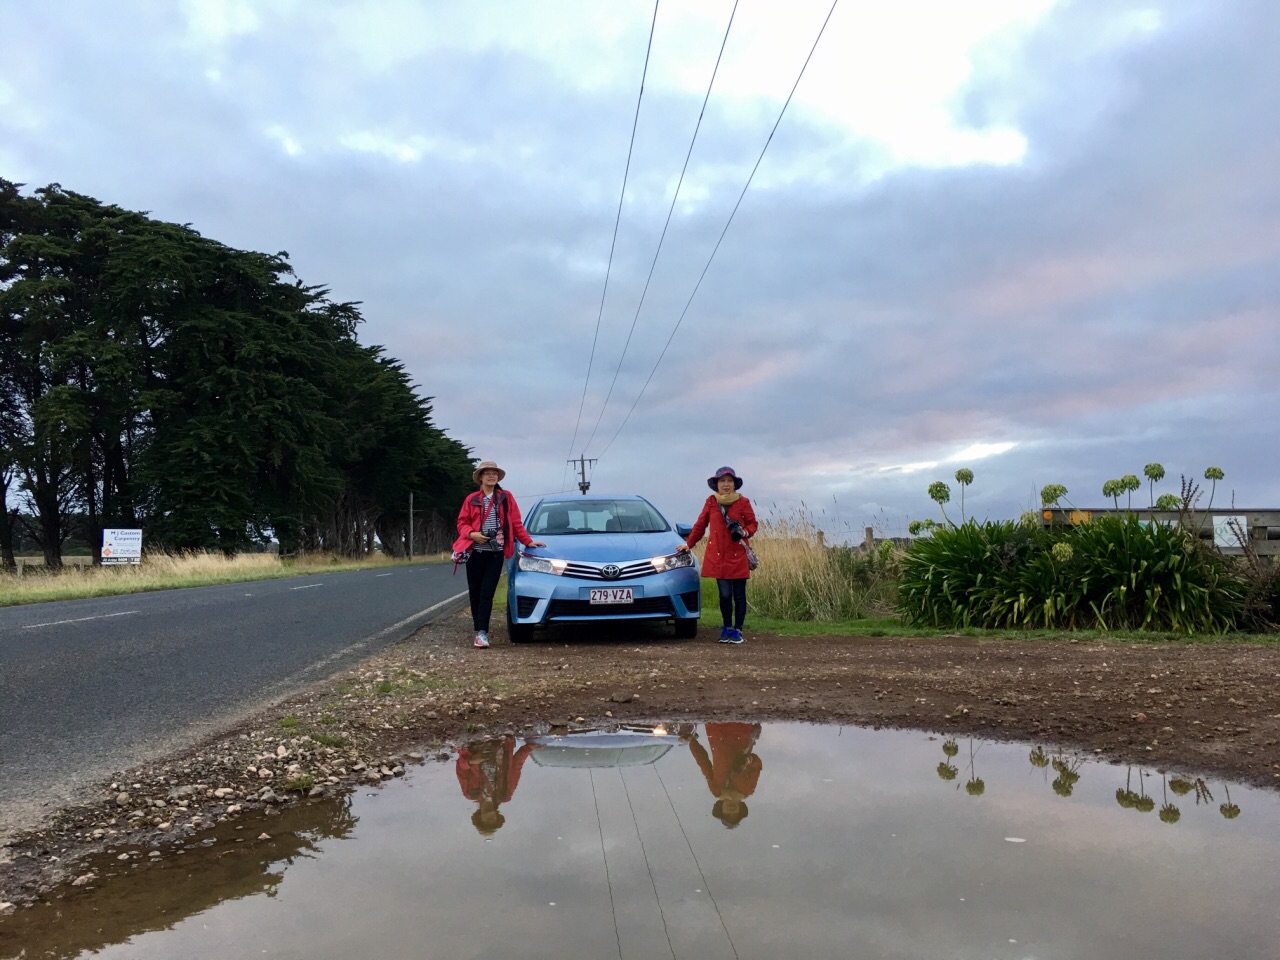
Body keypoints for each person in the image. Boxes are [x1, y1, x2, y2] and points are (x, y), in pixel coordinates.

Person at [454, 460, 544, 649]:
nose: (491, 475)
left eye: (494, 473)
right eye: (487, 473)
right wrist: (472, 534)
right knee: (475, 592)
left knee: (487, 592)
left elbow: (516, 523)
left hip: (495, 553)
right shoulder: (471, 499)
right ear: (480, 477)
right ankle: (477, 627)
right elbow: (462, 523)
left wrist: (528, 541)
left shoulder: (505, 497)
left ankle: (482, 633)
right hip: (475, 552)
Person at [679, 465, 759, 643]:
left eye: (729, 481)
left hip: (737, 555)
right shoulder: (711, 502)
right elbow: (700, 525)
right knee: (724, 595)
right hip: (718, 556)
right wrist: (688, 544)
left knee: (739, 595)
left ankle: (738, 630)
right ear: (716, 484)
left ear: (735, 484)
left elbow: (753, 524)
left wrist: (744, 532)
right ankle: (726, 627)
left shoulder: (743, 502)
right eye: (722, 481)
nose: (726, 484)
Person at [455, 736, 541, 835]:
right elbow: (516, 767)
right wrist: (528, 748)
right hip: (502, 743)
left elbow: (461, 771)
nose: (490, 819)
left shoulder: (470, 793)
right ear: (497, 817)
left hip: (472, 744)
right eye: (493, 821)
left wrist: (470, 761)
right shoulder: (505, 795)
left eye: (486, 821)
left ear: (479, 817)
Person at [687, 722, 763, 828]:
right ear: (740, 809)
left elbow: (704, 765)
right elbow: (757, 766)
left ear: (721, 809)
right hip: (741, 732)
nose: (731, 811)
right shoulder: (747, 790)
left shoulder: (716, 790)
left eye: (727, 814)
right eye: (735, 814)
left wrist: (692, 742)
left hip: (716, 732)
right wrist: (748, 760)